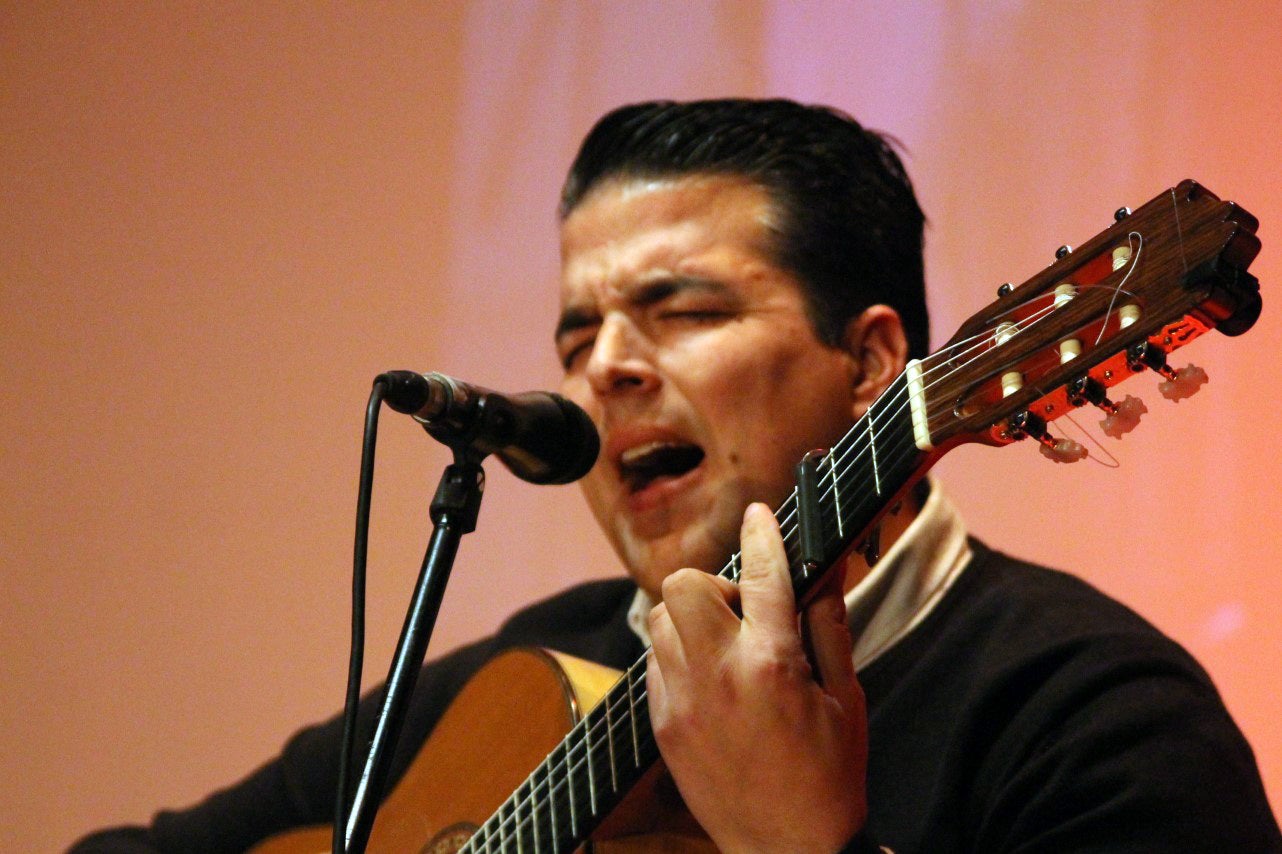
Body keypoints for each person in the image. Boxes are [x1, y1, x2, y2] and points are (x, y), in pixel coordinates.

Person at [71, 99, 1280, 853]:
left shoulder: (1091, 713)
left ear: (869, 360)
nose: (603, 370)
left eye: (678, 308)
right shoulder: (535, 672)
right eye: (574, 338)